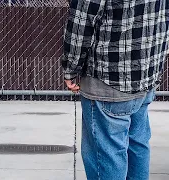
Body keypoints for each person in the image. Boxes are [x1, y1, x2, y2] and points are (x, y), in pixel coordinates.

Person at [61, 0, 169, 179]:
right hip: (146, 75)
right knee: (137, 145)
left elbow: (81, 20)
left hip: (108, 79)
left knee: (107, 154)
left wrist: (71, 68)